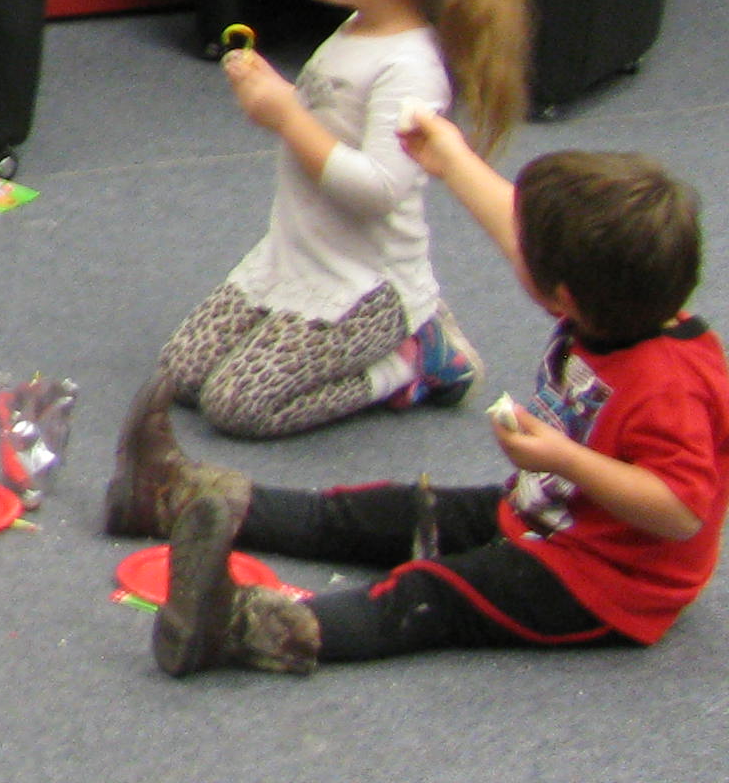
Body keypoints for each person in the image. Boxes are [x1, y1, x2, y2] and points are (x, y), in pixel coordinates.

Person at [115, 133, 726, 676]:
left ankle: (234, 629)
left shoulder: (669, 387)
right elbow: (522, 233)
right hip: (546, 511)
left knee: (429, 595)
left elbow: (681, 512)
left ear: (560, 296)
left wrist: (564, 459)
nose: (514, 247)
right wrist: (452, 160)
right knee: (387, 511)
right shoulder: (626, 295)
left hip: (605, 586)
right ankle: (177, 497)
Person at [137, 0, 528, 440]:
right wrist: (276, 93)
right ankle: (379, 347)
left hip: (366, 284)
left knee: (237, 407)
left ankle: (416, 358)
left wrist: (286, 116)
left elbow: (377, 190)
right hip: (297, 256)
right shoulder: (357, 26)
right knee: (179, 376)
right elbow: (331, 115)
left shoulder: (411, 68)